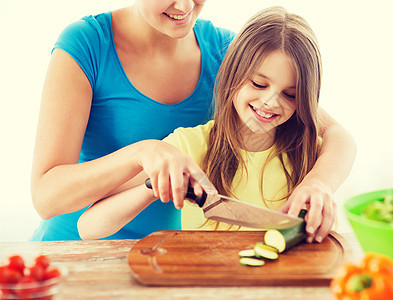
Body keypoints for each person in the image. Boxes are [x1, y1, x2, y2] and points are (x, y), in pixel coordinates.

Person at [31, 0, 356, 241]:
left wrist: (318, 184)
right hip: (75, 253)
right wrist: (141, 153)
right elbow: (47, 198)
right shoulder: (86, 45)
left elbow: (334, 133)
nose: (185, 5)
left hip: (169, 258)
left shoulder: (226, 51)